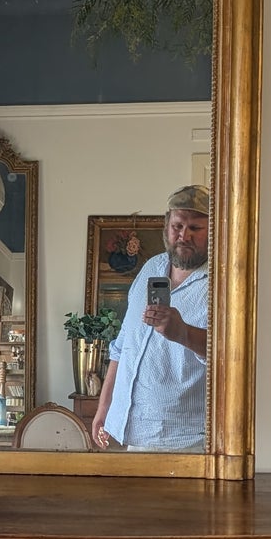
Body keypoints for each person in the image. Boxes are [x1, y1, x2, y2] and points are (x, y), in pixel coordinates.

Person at [91, 185, 209, 453]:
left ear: (212, 231)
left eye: (195, 228)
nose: (184, 235)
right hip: (131, 433)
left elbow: (230, 356)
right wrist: (104, 406)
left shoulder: (222, 282)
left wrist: (183, 333)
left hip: (184, 440)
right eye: (178, 226)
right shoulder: (151, 267)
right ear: (167, 227)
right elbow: (123, 345)